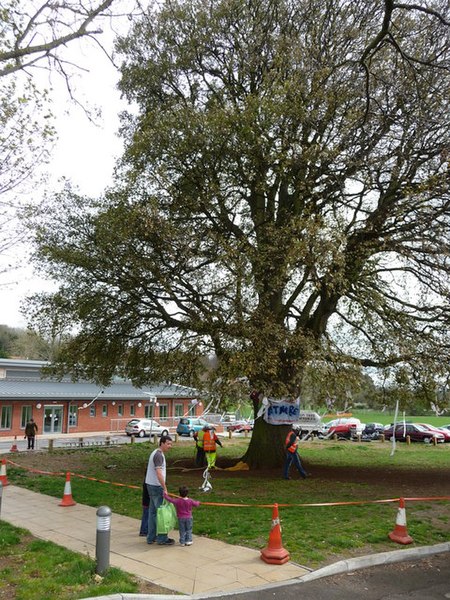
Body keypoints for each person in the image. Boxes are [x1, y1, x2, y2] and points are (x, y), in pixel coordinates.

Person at [145, 435, 174, 545]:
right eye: (168, 444)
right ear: (161, 443)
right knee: (162, 513)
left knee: (152, 513)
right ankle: (162, 538)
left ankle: (151, 537)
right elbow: (159, 473)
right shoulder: (158, 455)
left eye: (171, 444)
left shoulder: (156, 453)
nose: (169, 446)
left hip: (150, 485)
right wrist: (164, 488)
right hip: (156, 487)